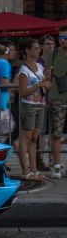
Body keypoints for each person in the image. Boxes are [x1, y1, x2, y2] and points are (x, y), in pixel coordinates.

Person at [17, 38, 52, 180]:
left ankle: (34, 170)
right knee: (25, 139)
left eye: (39, 48)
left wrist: (47, 79)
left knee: (34, 138)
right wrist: (39, 85)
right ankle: (25, 171)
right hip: (28, 105)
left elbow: (45, 85)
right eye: (36, 48)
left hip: (40, 105)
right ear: (27, 50)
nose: (39, 50)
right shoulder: (24, 70)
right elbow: (23, 92)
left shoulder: (40, 66)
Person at [48, 27, 67, 178]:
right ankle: (56, 166)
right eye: (60, 37)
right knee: (56, 134)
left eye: (65, 38)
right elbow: (47, 74)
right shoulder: (54, 54)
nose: (62, 40)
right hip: (57, 100)